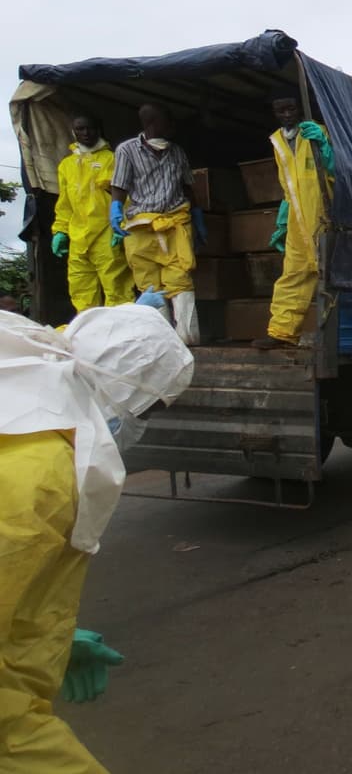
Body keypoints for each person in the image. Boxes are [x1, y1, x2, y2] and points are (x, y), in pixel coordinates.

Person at [0, 302, 193, 771]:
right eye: (149, 406)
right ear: (122, 388)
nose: (144, 421)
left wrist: (48, 635)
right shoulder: (41, 474)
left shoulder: (26, 406)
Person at [110, 103, 204, 344]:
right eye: (168, 121)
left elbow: (187, 186)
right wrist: (116, 208)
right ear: (152, 124)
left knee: (180, 278)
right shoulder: (126, 150)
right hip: (142, 226)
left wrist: (197, 215)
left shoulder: (177, 152)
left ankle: (188, 339)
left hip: (175, 223)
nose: (173, 127)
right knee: (149, 284)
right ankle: (161, 341)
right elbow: (119, 185)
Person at [253, 94, 335, 349]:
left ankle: (334, 337)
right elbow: (287, 186)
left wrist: (324, 146)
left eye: (291, 108)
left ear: (300, 109)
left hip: (323, 216)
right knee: (293, 274)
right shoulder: (277, 141)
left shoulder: (317, 133)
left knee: (330, 276)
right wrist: (283, 220)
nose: (286, 114)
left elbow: (338, 170)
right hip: (298, 220)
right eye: (281, 109)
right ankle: (282, 331)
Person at [51, 115, 134, 313]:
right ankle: (89, 336)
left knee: (117, 288)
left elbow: (126, 195)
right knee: (81, 290)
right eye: (81, 129)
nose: (86, 133)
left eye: (91, 128)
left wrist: (122, 225)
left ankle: (121, 335)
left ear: (99, 130)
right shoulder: (66, 165)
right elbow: (65, 203)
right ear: (74, 132)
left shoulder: (112, 159)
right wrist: (60, 231)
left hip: (106, 232)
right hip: (78, 236)